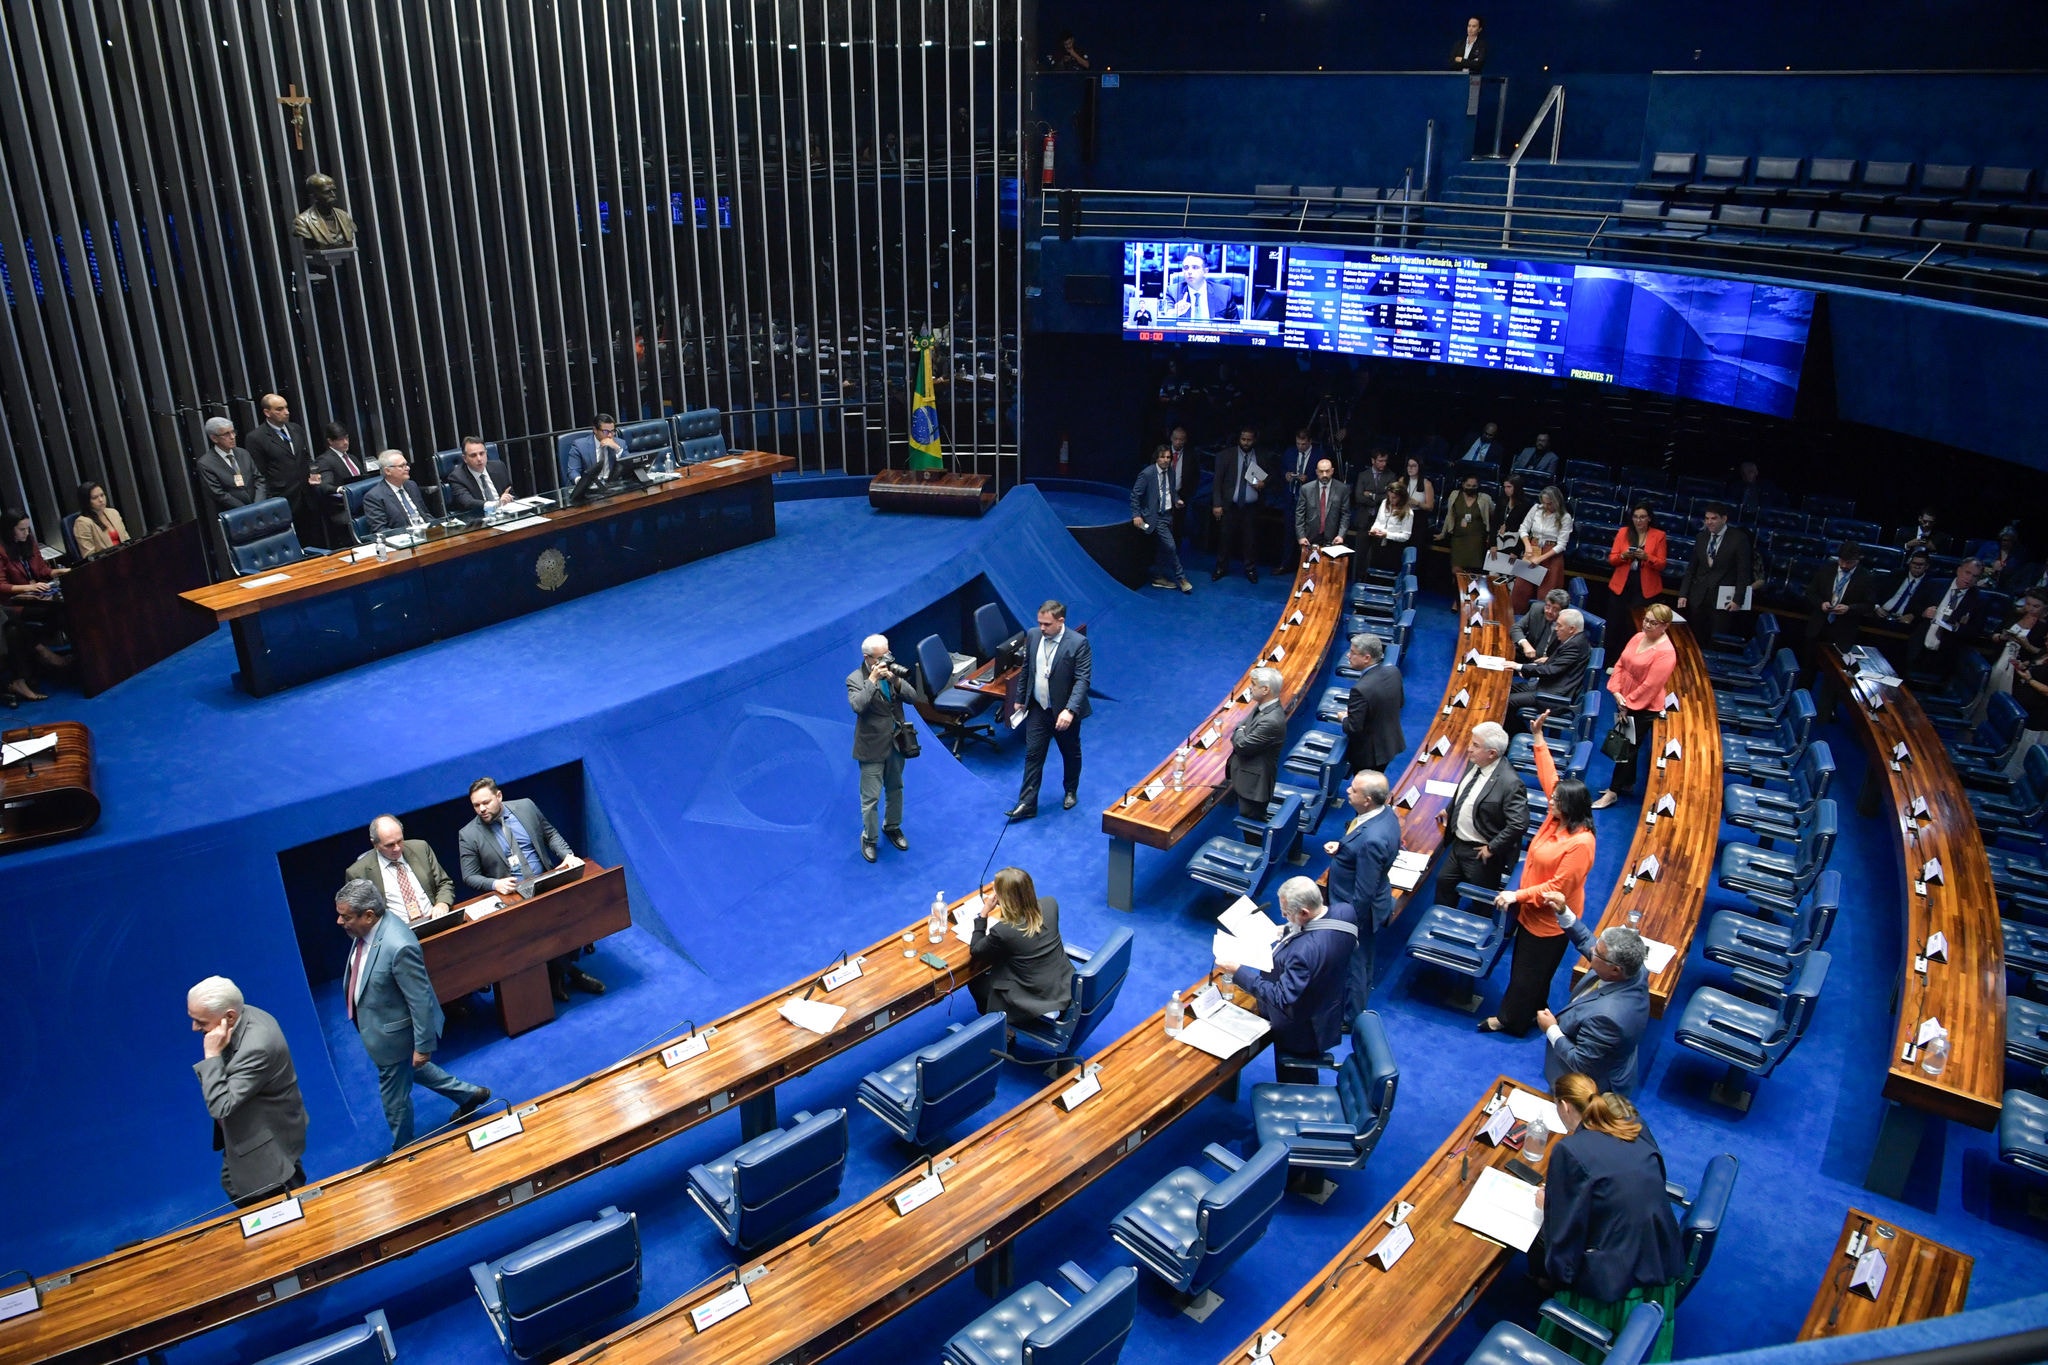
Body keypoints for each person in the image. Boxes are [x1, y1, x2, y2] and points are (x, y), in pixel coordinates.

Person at [1534, 1076, 1685, 1362]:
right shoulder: (1630, 1121)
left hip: (1611, 1288)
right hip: (1659, 1258)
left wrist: (1550, 1206)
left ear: (1564, 1106)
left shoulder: (1570, 1151)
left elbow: (1564, 1245)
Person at [334, 878, 490, 1150]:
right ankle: (470, 1095)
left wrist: (424, 1045)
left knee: (394, 1096)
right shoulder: (367, 931)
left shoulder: (398, 946)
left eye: (345, 916)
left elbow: (420, 999)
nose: (339, 921)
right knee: (412, 1070)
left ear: (368, 915)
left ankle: (404, 1150)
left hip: (395, 1036)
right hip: (383, 1028)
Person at [1478, 728, 1596, 1035]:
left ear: (1571, 806)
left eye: (1556, 800)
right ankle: (1534, 1011)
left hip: (1548, 921)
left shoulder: (1581, 843)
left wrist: (1518, 895)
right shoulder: (1557, 817)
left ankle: (1510, 1021)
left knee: (1526, 975)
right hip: (1530, 910)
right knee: (1532, 972)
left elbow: (1558, 889)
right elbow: (1549, 779)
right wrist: (1539, 739)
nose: (1550, 801)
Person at [457, 778, 603, 1000]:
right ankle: (567, 974)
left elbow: (550, 833)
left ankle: (560, 971)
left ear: (499, 796)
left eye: (485, 802)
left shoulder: (525, 806)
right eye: (476, 805)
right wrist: (495, 884)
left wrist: (567, 855)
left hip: (545, 880)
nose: (482, 809)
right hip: (513, 896)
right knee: (537, 931)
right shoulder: (469, 834)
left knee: (571, 917)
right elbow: (469, 875)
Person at [187, 975, 309, 1207]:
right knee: (233, 1183)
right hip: (254, 1134)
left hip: (267, 1155)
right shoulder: (246, 1013)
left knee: (278, 1211)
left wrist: (211, 1055)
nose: (195, 1028)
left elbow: (220, 1105)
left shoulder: (257, 1046)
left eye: (201, 1022)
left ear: (229, 1017)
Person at [1216, 876, 1356, 1063]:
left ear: (1304, 912)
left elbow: (1281, 998)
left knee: (1296, 1079)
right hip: (1327, 1006)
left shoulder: (1302, 953)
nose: (1284, 917)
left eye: (1286, 913)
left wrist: (1238, 972)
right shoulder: (1346, 912)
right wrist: (1291, 928)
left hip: (1300, 1028)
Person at [1540, 904, 1652, 1093]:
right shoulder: (1635, 970)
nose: (1592, 949)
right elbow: (1588, 941)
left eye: (1597, 952)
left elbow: (1581, 1064)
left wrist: (1551, 1029)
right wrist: (1563, 912)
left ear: (1615, 969)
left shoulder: (1608, 1018)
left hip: (1588, 1086)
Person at [1008, 600, 1092, 818]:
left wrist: (1070, 710)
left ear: (1060, 621)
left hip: (1064, 713)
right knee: (1033, 755)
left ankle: (1071, 790)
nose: (1042, 628)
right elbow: (1027, 669)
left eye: (1047, 624)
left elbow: (1082, 680)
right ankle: (1027, 803)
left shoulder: (1078, 643)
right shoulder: (1034, 635)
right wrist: (1019, 698)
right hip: (1038, 708)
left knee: (1070, 753)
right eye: (1040, 623)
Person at [1323, 771, 1399, 1008]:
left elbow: (1364, 890)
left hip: (1354, 907)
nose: (1347, 790)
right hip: (1366, 897)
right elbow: (1362, 850)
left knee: (1354, 962)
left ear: (1367, 800)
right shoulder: (1384, 814)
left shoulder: (1373, 839)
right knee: (1363, 957)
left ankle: (1350, 1015)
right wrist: (1344, 848)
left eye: (1354, 790)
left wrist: (1348, 922)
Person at [849, 633, 926, 862]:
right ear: (868, 658)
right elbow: (858, 706)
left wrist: (895, 680)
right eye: (882, 656)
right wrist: (872, 681)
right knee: (870, 798)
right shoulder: (854, 679)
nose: (888, 659)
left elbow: (913, 697)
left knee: (895, 788)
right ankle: (870, 838)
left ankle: (892, 826)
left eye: (888, 653)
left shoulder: (892, 672)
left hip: (896, 742)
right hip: (871, 747)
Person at [1594, 604, 1679, 810]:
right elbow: (1621, 664)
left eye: (1653, 623)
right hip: (1624, 697)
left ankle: (1613, 791)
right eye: (1646, 620)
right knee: (1626, 743)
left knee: (1626, 749)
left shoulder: (1666, 653)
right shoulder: (1637, 637)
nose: (1647, 625)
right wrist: (1616, 691)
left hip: (1644, 708)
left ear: (1665, 626)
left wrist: (1627, 704)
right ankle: (1627, 783)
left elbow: (1651, 686)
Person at [1435, 721, 1528, 904]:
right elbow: (1465, 791)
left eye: (1475, 746)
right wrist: (1450, 810)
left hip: (1481, 852)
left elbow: (1519, 823)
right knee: (1444, 883)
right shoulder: (1476, 763)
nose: (1469, 749)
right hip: (1458, 844)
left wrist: (1492, 847)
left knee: (1481, 902)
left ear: (1492, 753)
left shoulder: (1510, 783)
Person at [968, 867, 1071, 1024]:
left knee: (976, 982)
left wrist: (983, 914)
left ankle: (998, 1027)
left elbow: (976, 950)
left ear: (1004, 898)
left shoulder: (1004, 931)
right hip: (1061, 983)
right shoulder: (1050, 904)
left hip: (1034, 995)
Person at [0, 509, 70, 689]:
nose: (27, 533)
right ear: (10, 530)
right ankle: (45, 655)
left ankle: (79, 654)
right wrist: (29, 587)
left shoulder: (29, 541)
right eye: (22, 529)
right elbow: (2, 585)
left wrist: (57, 572)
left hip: (38, 594)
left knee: (68, 608)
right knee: (55, 612)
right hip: (14, 603)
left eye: (28, 529)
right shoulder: (1, 550)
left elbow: (42, 571)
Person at [245, 393, 322, 548]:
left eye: (286, 408)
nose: (286, 412)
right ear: (267, 412)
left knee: (315, 539)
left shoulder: (296, 429)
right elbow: (260, 473)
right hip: (283, 497)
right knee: (292, 544)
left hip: (307, 494)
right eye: (280, 409)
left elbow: (305, 457)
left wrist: (314, 472)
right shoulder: (256, 438)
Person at [1797, 541, 1875, 688]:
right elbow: (1811, 592)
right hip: (1819, 625)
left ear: (1857, 560)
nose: (1844, 565)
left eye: (1849, 562)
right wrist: (1821, 604)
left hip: (1843, 631)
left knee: (1835, 675)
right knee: (1807, 667)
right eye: (1842, 561)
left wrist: (1849, 608)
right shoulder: (1827, 569)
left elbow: (1869, 605)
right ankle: (1800, 697)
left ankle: (1827, 708)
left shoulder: (1866, 577)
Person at [1675, 504, 1752, 645]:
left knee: (1717, 640)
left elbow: (1743, 572)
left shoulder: (1738, 539)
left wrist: (1738, 599)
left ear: (1724, 519)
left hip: (1723, 600)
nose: (1709, 522)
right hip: (1698, 597)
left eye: (1714, 518)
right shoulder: (1701, 537)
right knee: (1696, 638)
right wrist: (1683, 593)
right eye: (1707, 518)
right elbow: (1692, 568)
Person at [1903, 557, 1985, 681]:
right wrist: (1923, 612)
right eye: (1967, 573)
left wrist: (1957, 628)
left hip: (1945, 656)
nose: (1969, 578)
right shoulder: (1934, 585)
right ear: (1959, 570)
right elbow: (1911, 607)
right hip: (1918, 648)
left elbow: (1975, 632)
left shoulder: (1979, 601)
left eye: (1975, 576)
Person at [1508, 607, 1591, 727]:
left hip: (1552, 695)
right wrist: (1530, 667)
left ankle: (1516, 733)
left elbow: (1551, 670)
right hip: (1545, 685)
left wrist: (1520, 666)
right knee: (1506, 689)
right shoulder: (1576, 640)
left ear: (1572, 629)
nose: (1556, 628)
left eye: (1559, 625)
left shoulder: (1575, 645)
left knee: (1507, 701)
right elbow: (1559, 664)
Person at [1227, 667, 1287, 824]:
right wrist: (1242, 728)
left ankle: (1255, 848)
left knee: (1252, 823)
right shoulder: (1264, 706)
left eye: (1253, 685)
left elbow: (1241, 745)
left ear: (1265, 689)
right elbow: (1243, 723)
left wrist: (1240, 730)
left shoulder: (1271, 720)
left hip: (1255, 785)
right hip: (1248, 774)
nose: (1250, 688)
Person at [1604, 503, 1668, 652]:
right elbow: (1612, 559)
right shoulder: (1623, 532)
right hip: (1622, 584)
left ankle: (1634, 655)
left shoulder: (1659, 536)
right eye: (1636, 517)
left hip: (1644, 586)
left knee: (1634, 625)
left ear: (1649, 518)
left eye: (1642, 517)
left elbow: (1662, 564)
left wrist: (1647, 557)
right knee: (1615, 623)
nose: (1639, 521)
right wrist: (1623, 556)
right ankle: (1611, 659)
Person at [1342, 632, 1405, 775]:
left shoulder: (1360, 690)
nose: (1348, 655)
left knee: (1367, 790)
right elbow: (1400, 703)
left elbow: (1353, 728)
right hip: (1390, 743)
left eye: (1352, 652)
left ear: (1366, 658)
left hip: (1369, 755)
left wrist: (1344, 718)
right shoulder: (1393, 671)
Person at [1132, 445, 1193, 592]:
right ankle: (1182, 578)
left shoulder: (1170, 472)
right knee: (1171, 546)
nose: (1166, 460)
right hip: (1155, 517)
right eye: (1162, 457)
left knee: (1163, 548)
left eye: (1168, 457)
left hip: (1168, 515)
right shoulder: (1147, 474)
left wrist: (1177, 500)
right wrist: (1136, 515)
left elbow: (1171, 491)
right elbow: (1135, 495)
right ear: (1156, 458)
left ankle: (1158, 577)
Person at [1211, 427, 1267, 582]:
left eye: (1249, 440)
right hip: (1230, 506)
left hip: (1251, 507)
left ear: (1254, 440)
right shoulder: (1225, 456)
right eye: (1243, 439)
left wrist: (1263, 484)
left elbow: (1271, 478)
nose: (1246, 443)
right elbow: (1217, 483)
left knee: (1250, 540)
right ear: (1239, 439)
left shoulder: (1261, 456)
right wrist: (1217, 504)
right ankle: (1221, 567)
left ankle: (1250, 569)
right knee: (1225, 538)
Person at [1513, 484, 1573, 613]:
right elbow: (1523, 528)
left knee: (1546, 593)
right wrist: (1528, 545)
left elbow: (1562, 545)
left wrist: (1540, 558)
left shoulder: (1565, 517)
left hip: (1551, 555)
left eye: (1550, 504)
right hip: (1533, 548)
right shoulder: (1536, 508)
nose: (1546, 507)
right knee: (1520, 589)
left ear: (1557, 502)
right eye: (1544, 503)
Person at [314, 423, 374, 546]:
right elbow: (324, 486)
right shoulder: (324, 460)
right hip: (343, 508)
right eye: (341, 440)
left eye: (346, 438)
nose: (345, 442)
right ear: (330, 441)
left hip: (364, 504)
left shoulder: (353, 458)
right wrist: (340, 489)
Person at [196, 416, 266, 517]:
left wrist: (258, 504)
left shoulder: (243, 453)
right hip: (234, 514)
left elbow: (259, 479)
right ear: (214, 438)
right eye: (226, 434)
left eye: (233, 432)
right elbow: (219, 494)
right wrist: (247, 510)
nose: (232, 437)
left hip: (259, 508)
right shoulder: (206, 463)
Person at [361, 451, 435, 535]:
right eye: (401, 466)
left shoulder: (411, 485)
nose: (407, 468)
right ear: (387, 471)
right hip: (405, 539)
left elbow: (425, 514)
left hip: (427, 533)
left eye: (406, 464)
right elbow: (380, 530)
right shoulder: (374, 497)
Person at [1437, 469, 1494, 574]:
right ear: (1463, 484)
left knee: (1472, 574)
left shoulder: (1485, 499)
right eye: (1468, 485)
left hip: (1477, 541)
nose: (1471, 488)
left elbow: (1493, 517)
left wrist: (1490, 535)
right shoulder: (1454, 495)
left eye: (1474, 486)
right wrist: (1443, 533)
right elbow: (1449, 515)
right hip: (1458, 538)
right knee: (1456, 571)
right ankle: (1456, 589)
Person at [446, 436, 517, 515]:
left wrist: (508, 499)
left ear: (486, 453)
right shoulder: (457, 477)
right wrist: (496, 504)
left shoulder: (499, 467)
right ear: (465, 458)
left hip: (505, 513)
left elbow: (511, 493)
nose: (479, 459)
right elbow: (468, 503)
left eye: (482, 453)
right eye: (473, 455)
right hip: (479, 518)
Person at [1294, 457, 1352, 554]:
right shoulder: (1306, 489)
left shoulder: (1342, 489)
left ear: (1332, 471)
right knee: (1308, 567)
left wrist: (1341, 535)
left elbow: (1345, 514)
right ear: (1316, 472)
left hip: (1333, 538)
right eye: (1321, 471)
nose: (1324, 475)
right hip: (1309, 537)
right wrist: (1301, 536)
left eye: (1327, 471)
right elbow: (1299, 514)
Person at [1161, 250, 1238, 324]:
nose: (1189, 272)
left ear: (1205, 271)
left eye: (1195, 267)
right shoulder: (1173, 292)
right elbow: (1164, 320)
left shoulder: (1224, 293)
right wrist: (1175, 312)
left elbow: (1236, 327)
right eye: (1186, 268)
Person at [1871, 548, 1938, 628]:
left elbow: (1929, 606)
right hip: (1881, 613)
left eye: (1920, 565)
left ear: (1927, 566)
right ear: (1910, 563)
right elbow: (1874, 590)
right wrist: (1876, 607)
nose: (1916, 567)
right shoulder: (1897, 574)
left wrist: (1914, 616)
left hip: (1904, 620)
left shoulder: (1930, 583)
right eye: (1914, 563)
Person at [1363, 479, 1415, 577]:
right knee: (1372, 573)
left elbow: (1406, 536)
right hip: (1378, 543)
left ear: (1401, 497)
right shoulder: (1384, 503)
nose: (1391, 500)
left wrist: (1387, 534)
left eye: (1394, 498)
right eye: (1389, 497)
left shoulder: (1408, 513)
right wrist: (1374, 529)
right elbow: (1378, 521)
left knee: (1387, 576)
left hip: (1393, 548)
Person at [559, 414, 626, 487]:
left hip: (613, 486)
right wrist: (582, 482)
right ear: (595, 430)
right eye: (606, 432)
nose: (610, 435)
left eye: (612, 431)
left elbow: (630, 465)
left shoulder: (620, 443)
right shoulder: (579, 445)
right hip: (591, 488)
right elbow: (573, 471)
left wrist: (617, 448)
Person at [1353, 447, 1403, 537]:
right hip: (1363, 520)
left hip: (1382, 521)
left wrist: (1372, 495)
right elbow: (1359, 497)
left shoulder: (1391, 476)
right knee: (1360, 549)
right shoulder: (1363, 475)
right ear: (1373, 460)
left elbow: (1390, 497)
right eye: (1380, 461)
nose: (1383, 464)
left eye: (1385, 461)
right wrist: (1378, 500)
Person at [72, 481, 128, 558]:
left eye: (102, 495)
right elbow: (90, 556)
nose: (101, 500)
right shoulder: (82, 522)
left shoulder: (113, 513)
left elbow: (127, 540)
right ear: (86, 501)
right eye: (95, 498)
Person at [1513, 588, 1570, 663]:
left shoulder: (1567, 623)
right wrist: (1525, 643)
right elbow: (1516, 628)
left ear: (1563, 611)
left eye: (1555, 609)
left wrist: (1550, 660)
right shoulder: (1536, 609)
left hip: (1548, 666)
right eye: (1548, 606)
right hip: (1526, 657)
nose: (1549, 611)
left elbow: (1568, 654)